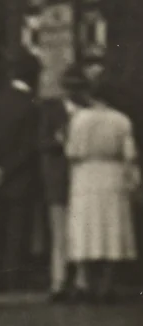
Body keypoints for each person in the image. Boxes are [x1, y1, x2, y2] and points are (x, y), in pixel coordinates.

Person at [66, 76, 140, 303]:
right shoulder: (121, 120)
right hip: (112, 175)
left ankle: (86, 281)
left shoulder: (80, 119)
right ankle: (107, 284)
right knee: (111, 228)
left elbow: (73, 151)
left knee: (86, 228)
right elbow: (129, 153)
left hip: (86, 175)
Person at [0, 53, 41, 292]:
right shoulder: (30, 105)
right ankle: (14, 275)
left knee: (0, 224)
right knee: (19, 228)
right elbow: (29, 146)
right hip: (21, 175)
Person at [40, 67, 89, 301]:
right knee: (60, 232)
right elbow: (41, 142)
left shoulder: (88, 111)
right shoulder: (51, 112)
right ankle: (58, 281)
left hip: (82, 179)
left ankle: (81, 280)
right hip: (59, 179)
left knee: (82, 230)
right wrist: (58, 140)